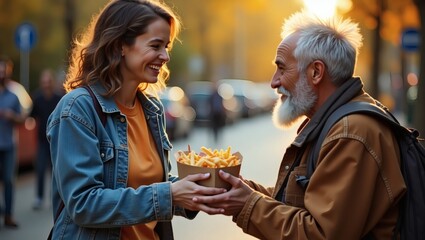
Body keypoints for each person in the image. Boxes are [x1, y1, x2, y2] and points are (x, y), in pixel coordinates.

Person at [194, 11, 407, 239]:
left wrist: (248, 204)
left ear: (316, 72)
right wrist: (240, 191)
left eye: (282, 68)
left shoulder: (350, 133)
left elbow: (320, 233)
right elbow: (301, 205)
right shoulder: (339, 122)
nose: (274, 81)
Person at [46, 1, 225, 239]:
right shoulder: (77, 109)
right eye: (156, 45)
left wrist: (196, 188)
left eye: (167, 46)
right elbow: (83, 204)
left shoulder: (152, 109)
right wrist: (170, 193)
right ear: (121, 45)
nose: (165, 56)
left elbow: (151, 186)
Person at [30, 69, 63, 210]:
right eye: (44, 82)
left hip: (56, 141)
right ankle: (39, 197)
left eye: (48, 81)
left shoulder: (59, 98)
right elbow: (31, 116)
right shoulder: (37, 98)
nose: (46, 84)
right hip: (42, 141)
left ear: (52, 82)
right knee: (40, 169)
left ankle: (54, 198)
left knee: (55, 171)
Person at [0, 56, 25, 228]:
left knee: (8, 180)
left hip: (9, 144)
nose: (1, 73)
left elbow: (23, 119)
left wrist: (13, 116)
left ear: (8, 72)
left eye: (4, 70)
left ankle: (8, 215)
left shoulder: (14, 95)